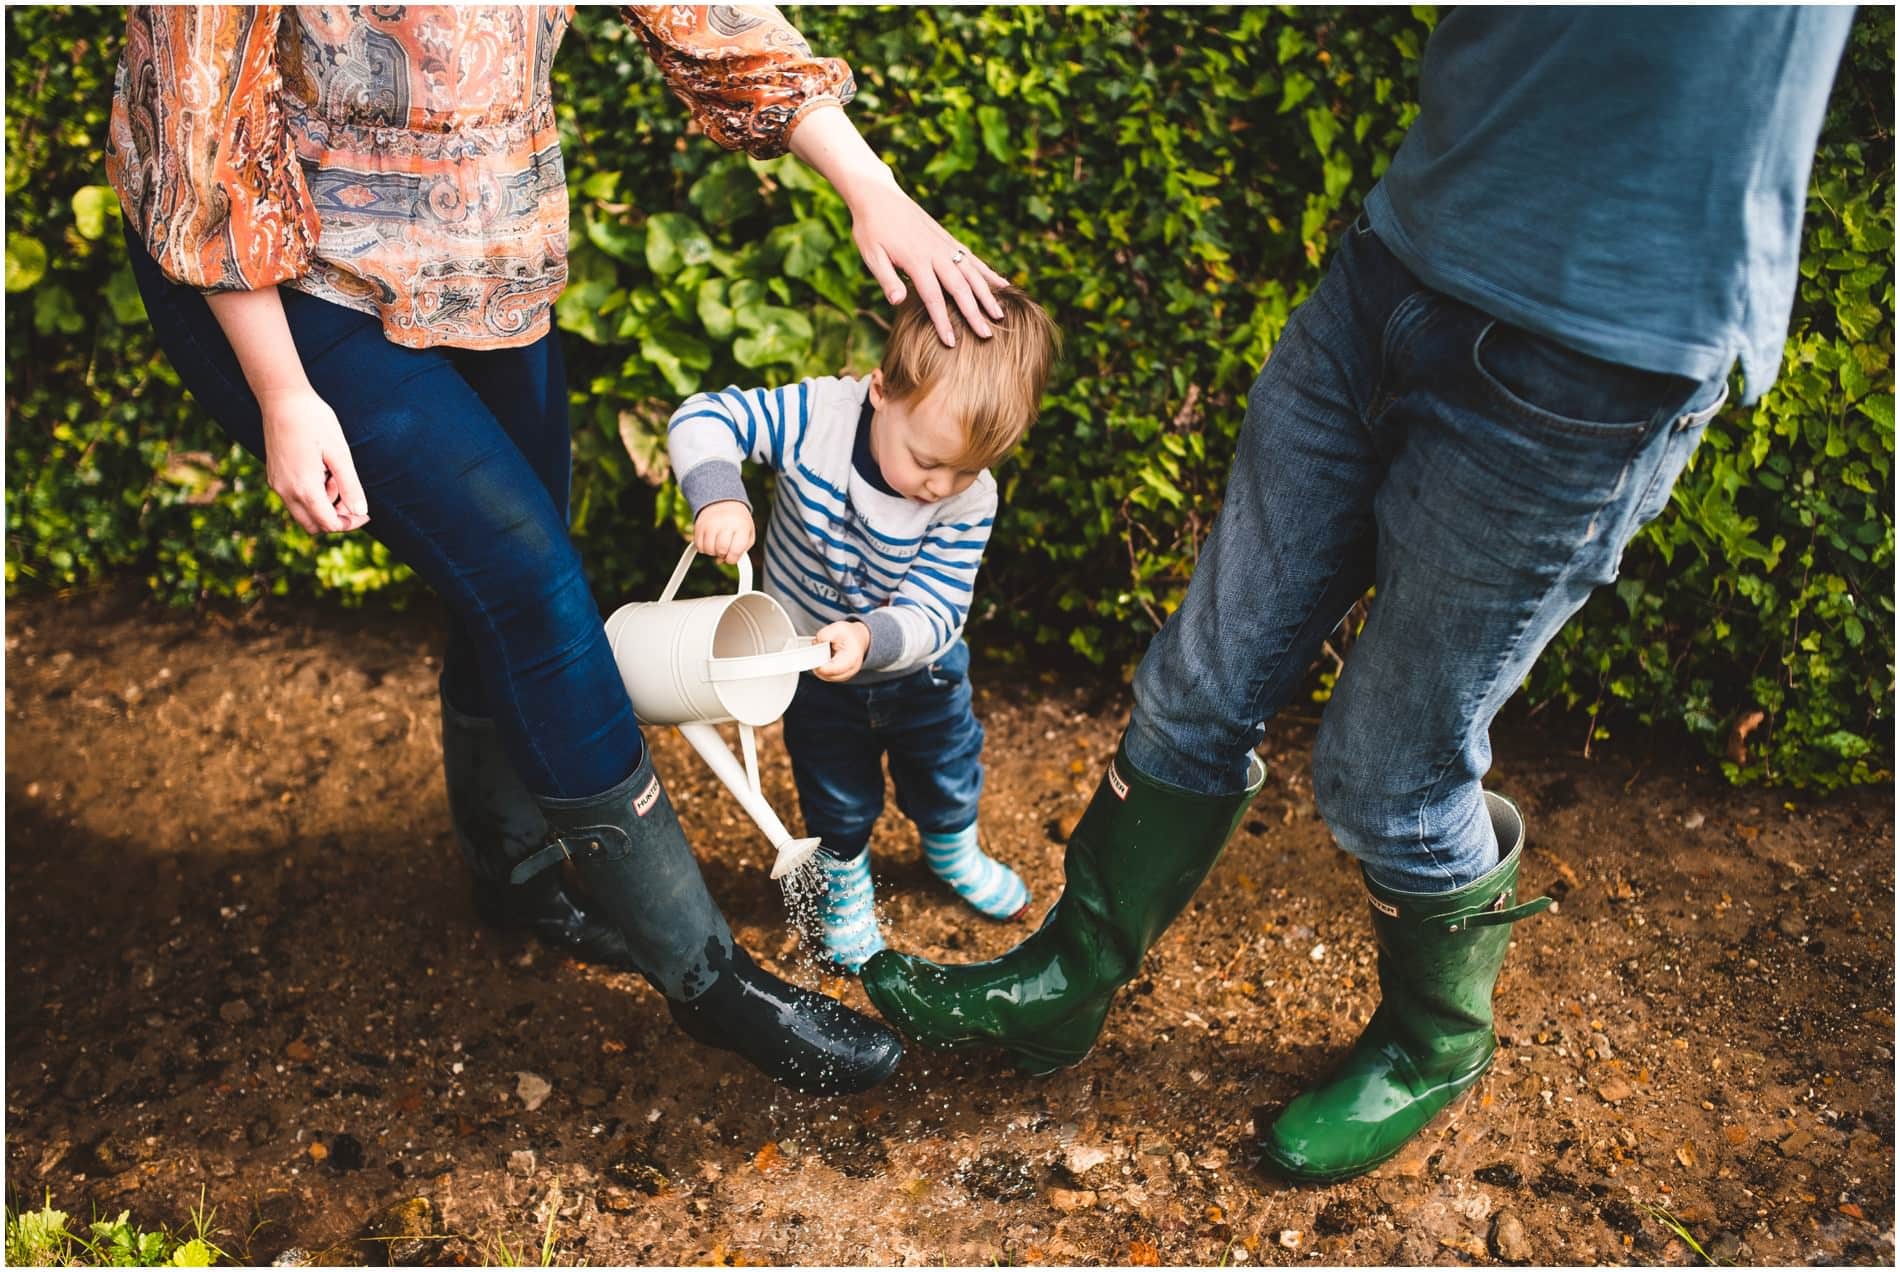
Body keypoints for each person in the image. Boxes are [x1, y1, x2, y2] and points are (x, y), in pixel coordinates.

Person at [860, 6, 1857, 1176]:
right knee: (1195, 687)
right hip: (1390, 274)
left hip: (1593, 355)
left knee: (1392, 778)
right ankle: (1065, 982)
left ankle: (1437, 1041)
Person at [106, 3, 1012, 1097]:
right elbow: (200, 141)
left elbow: (711, 19)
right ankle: (710, 981)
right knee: (534, 590)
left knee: (514, 566)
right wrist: (282, 392)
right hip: (290, 283)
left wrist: (869, 184)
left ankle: (520, 871)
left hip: (486, 259)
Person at [667, 288, 1059, 971]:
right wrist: (720, 494)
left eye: (967, 468)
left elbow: (938, 607)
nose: (942, 485)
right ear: (880, 390)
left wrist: (870, 638)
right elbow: (706, 416)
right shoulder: (816, 417)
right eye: (929, 461)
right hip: (813, 669)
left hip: (919, 672)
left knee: (945, 771)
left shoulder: (971, 498)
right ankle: (847, 889)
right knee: (835, 791)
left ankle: (952, 848)